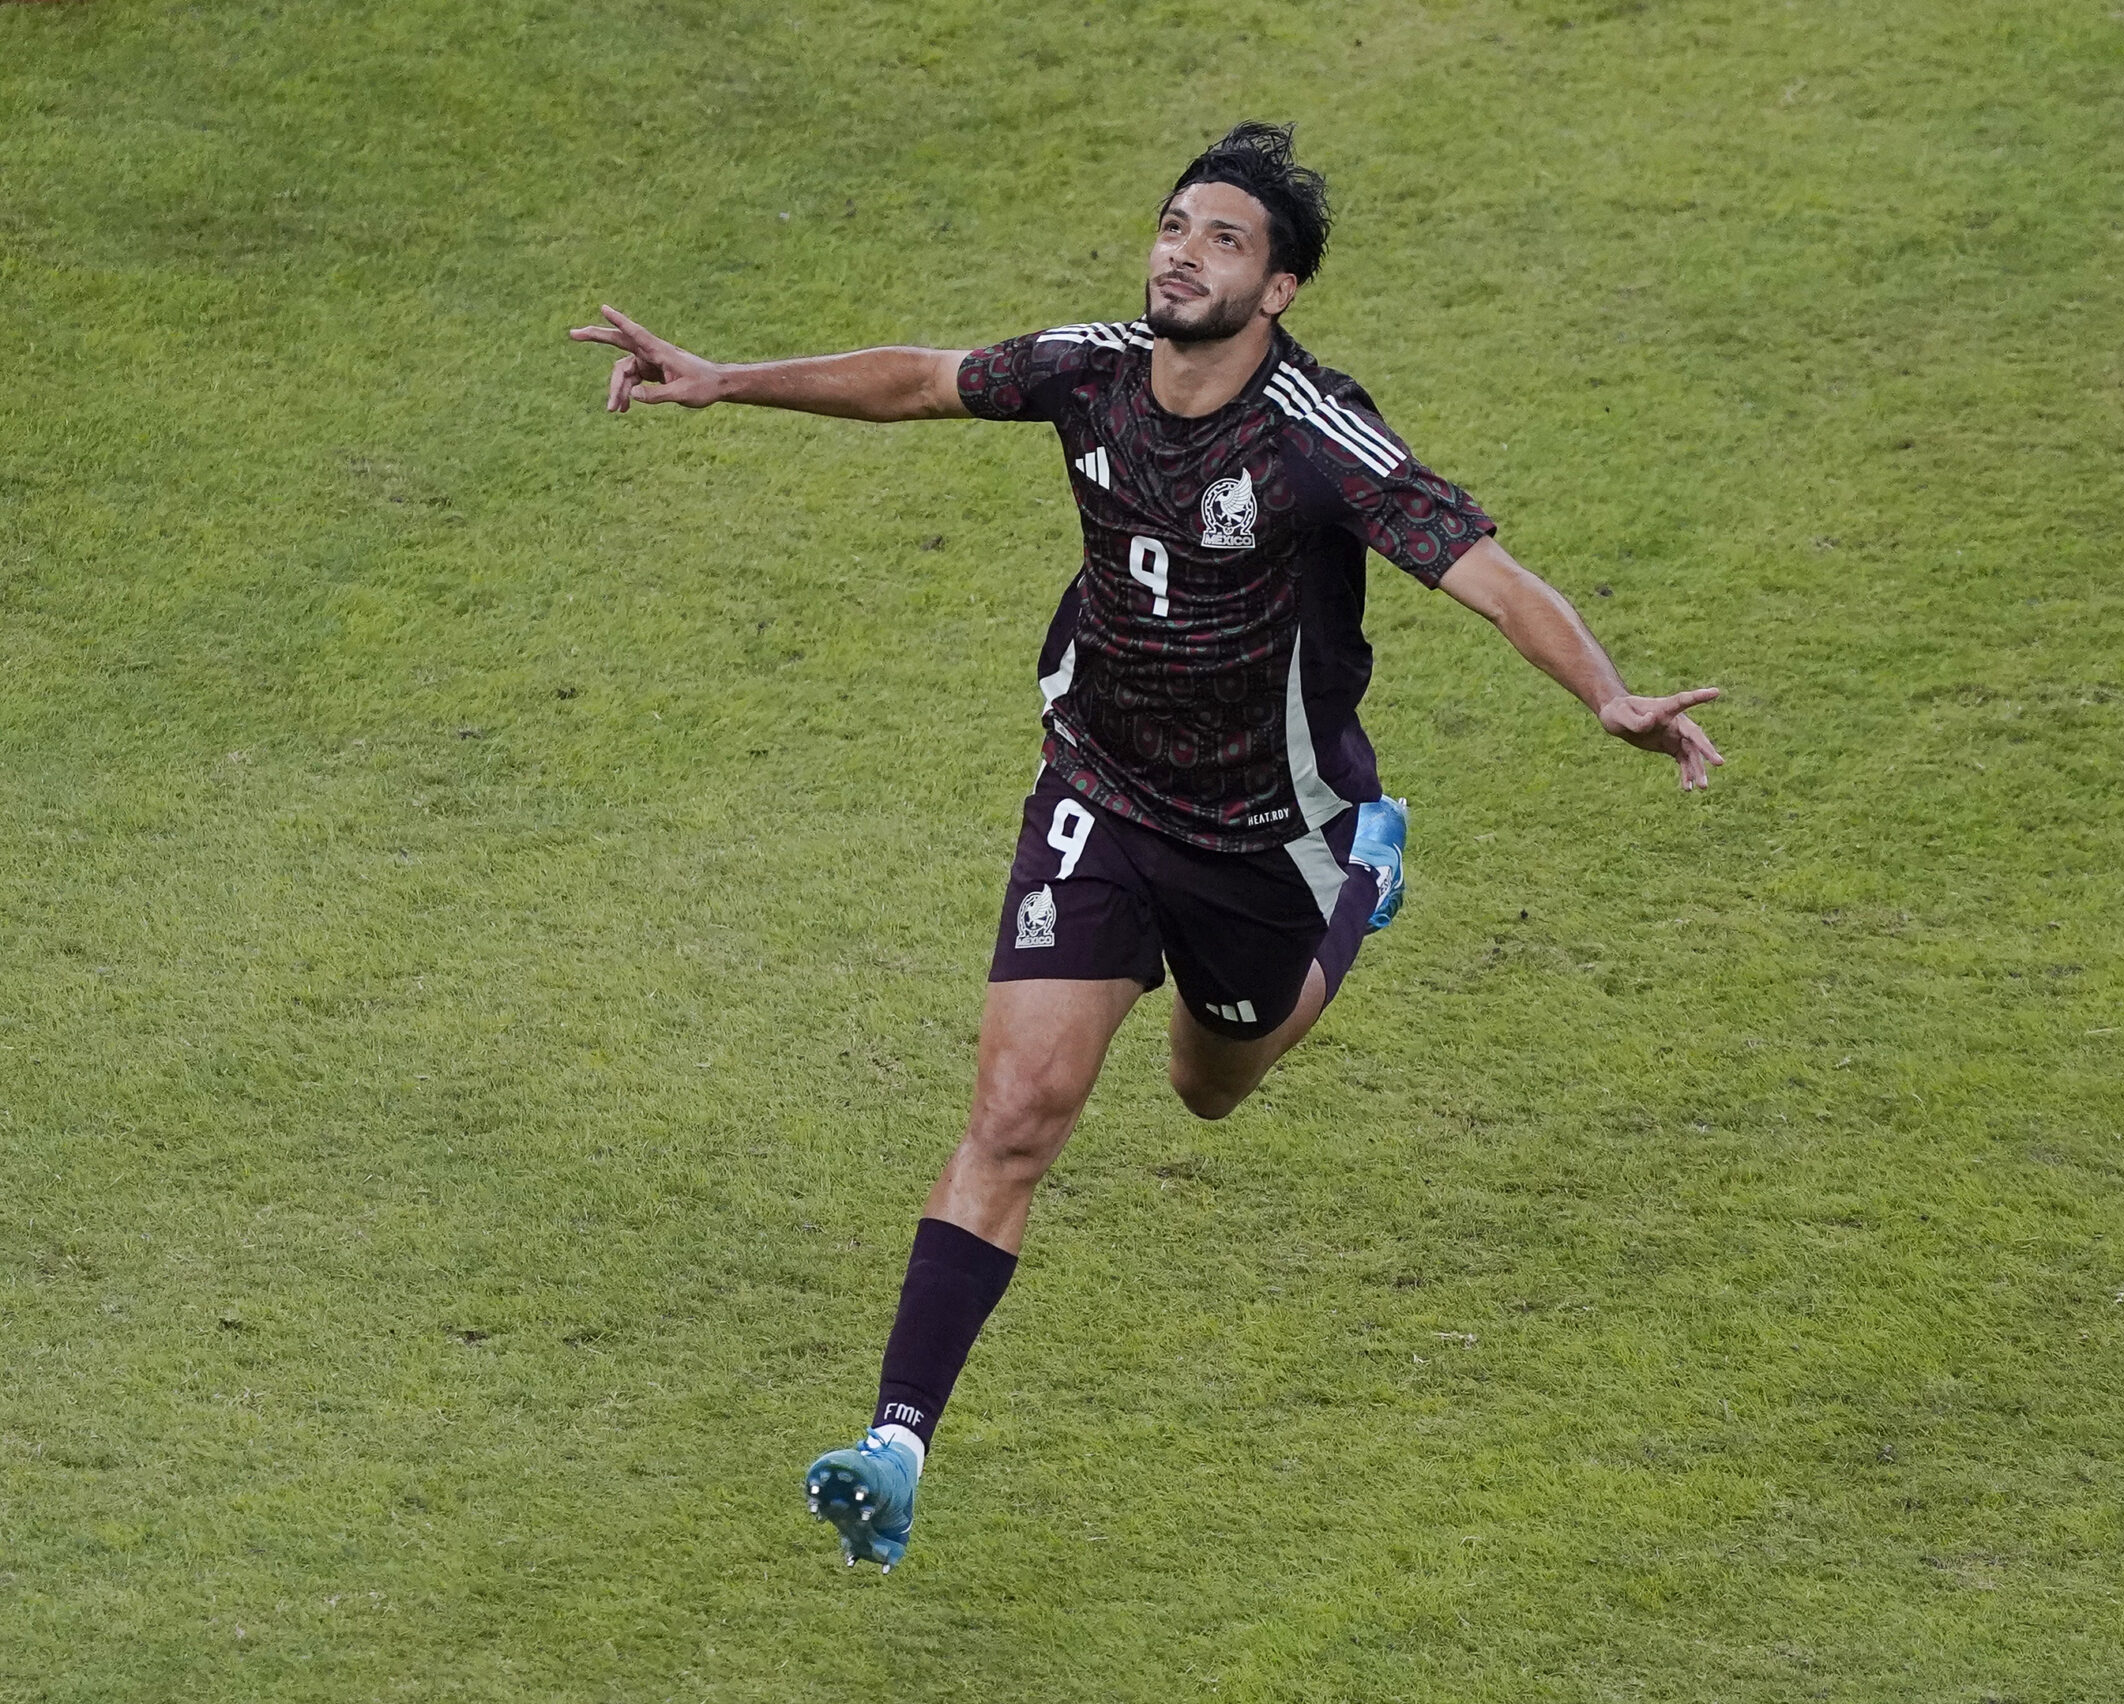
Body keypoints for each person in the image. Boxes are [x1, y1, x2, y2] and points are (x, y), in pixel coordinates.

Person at [571, 121, 1722, 1573]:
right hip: (1100, 791)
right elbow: (924, 381)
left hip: (1262, 838)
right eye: (1176, 225)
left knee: (1208, 1084)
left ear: (1280, 288)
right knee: (1015, 1115)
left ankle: (1367, 868)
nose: (1183, 252)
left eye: (1224, 238)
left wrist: (1608, 694)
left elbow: (1485, 574)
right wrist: (726, 381)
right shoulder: (1092, 369)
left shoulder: (1319, 436)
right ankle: (896, 1445)